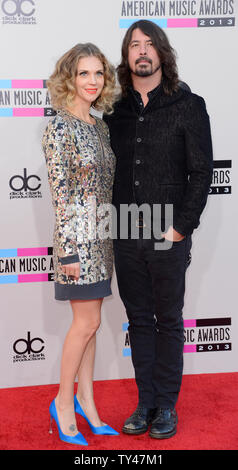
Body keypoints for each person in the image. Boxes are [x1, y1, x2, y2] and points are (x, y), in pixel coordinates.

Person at [104, 20, 213, 439]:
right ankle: (145, 401)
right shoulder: (114, 110)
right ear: (127, 55)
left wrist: (182, 228)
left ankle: (166, 405)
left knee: (168, 319)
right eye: (135, 45)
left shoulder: (189, 104)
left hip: (168, 235)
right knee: (138, 320)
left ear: (162, 52)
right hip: (126, 230)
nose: (142, 51)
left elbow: (201, 172)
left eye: (150, 44)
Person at [42, 43, 118, 445]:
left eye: (98, 74)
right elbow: (61, 193)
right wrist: (70, 251)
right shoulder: (59, 127)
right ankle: (63, 403)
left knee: (93, 325)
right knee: (84, 323)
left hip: (102, 241)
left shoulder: (99, 125)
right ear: (69, 77)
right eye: (84, 73)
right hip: (77, 242)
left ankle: (88, 403)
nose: (92, 81)